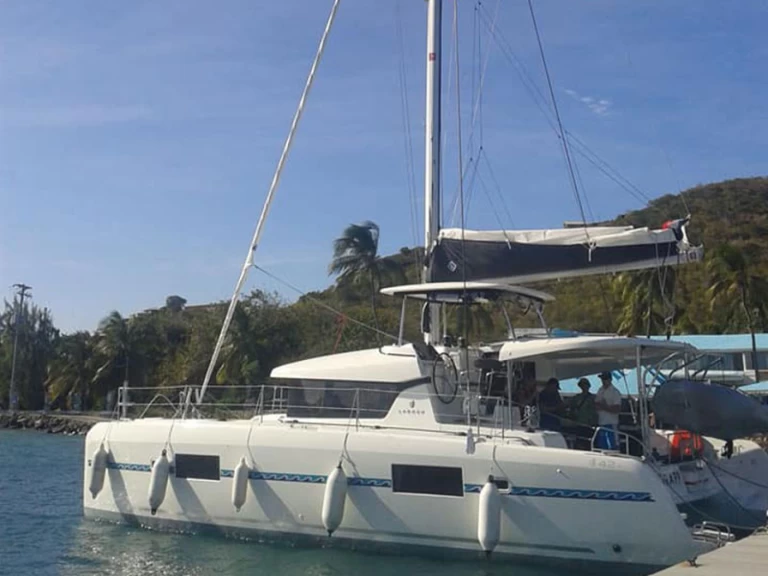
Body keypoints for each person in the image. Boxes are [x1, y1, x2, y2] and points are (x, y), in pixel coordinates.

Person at [594, 371, 622, 450]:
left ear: (610, 379)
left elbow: (617, 409)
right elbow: (596, 405)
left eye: (605, 379)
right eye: (602, 379)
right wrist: (605, 406)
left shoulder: (615, 392)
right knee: (602, 446)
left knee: (613, 445)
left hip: (611, 422)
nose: (603, 381)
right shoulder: (600, 390)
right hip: (601, 422)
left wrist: (604, 406)